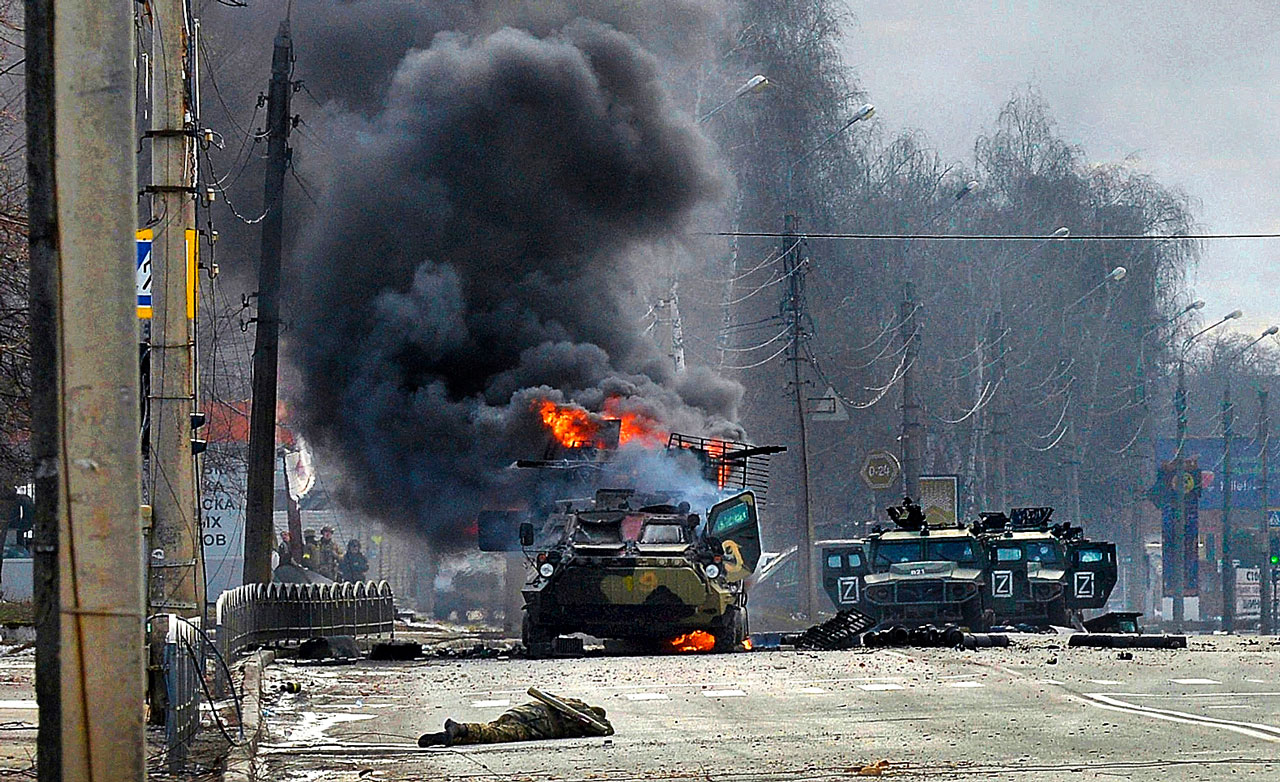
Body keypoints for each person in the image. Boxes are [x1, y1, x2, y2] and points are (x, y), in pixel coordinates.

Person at [418, 695, 612, 747]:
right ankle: (461, 729)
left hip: (523, 712)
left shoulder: (572, 702)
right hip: (539, 724)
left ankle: (451, 737)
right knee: (497, 734)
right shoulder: (586, 718)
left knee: (493, 730)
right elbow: (606, 730)